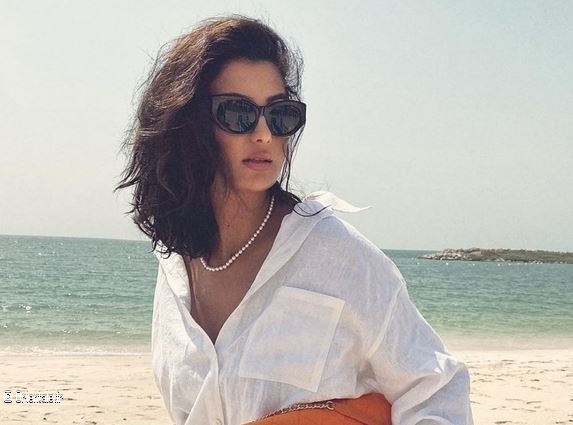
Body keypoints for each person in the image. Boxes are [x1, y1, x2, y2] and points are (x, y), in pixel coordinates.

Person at [117, 15, 474, 425]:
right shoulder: (174, 268)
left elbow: (438, 389)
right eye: (237, 112)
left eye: (280, 114)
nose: (264, 134)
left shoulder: (337, 255)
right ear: (186, 125)